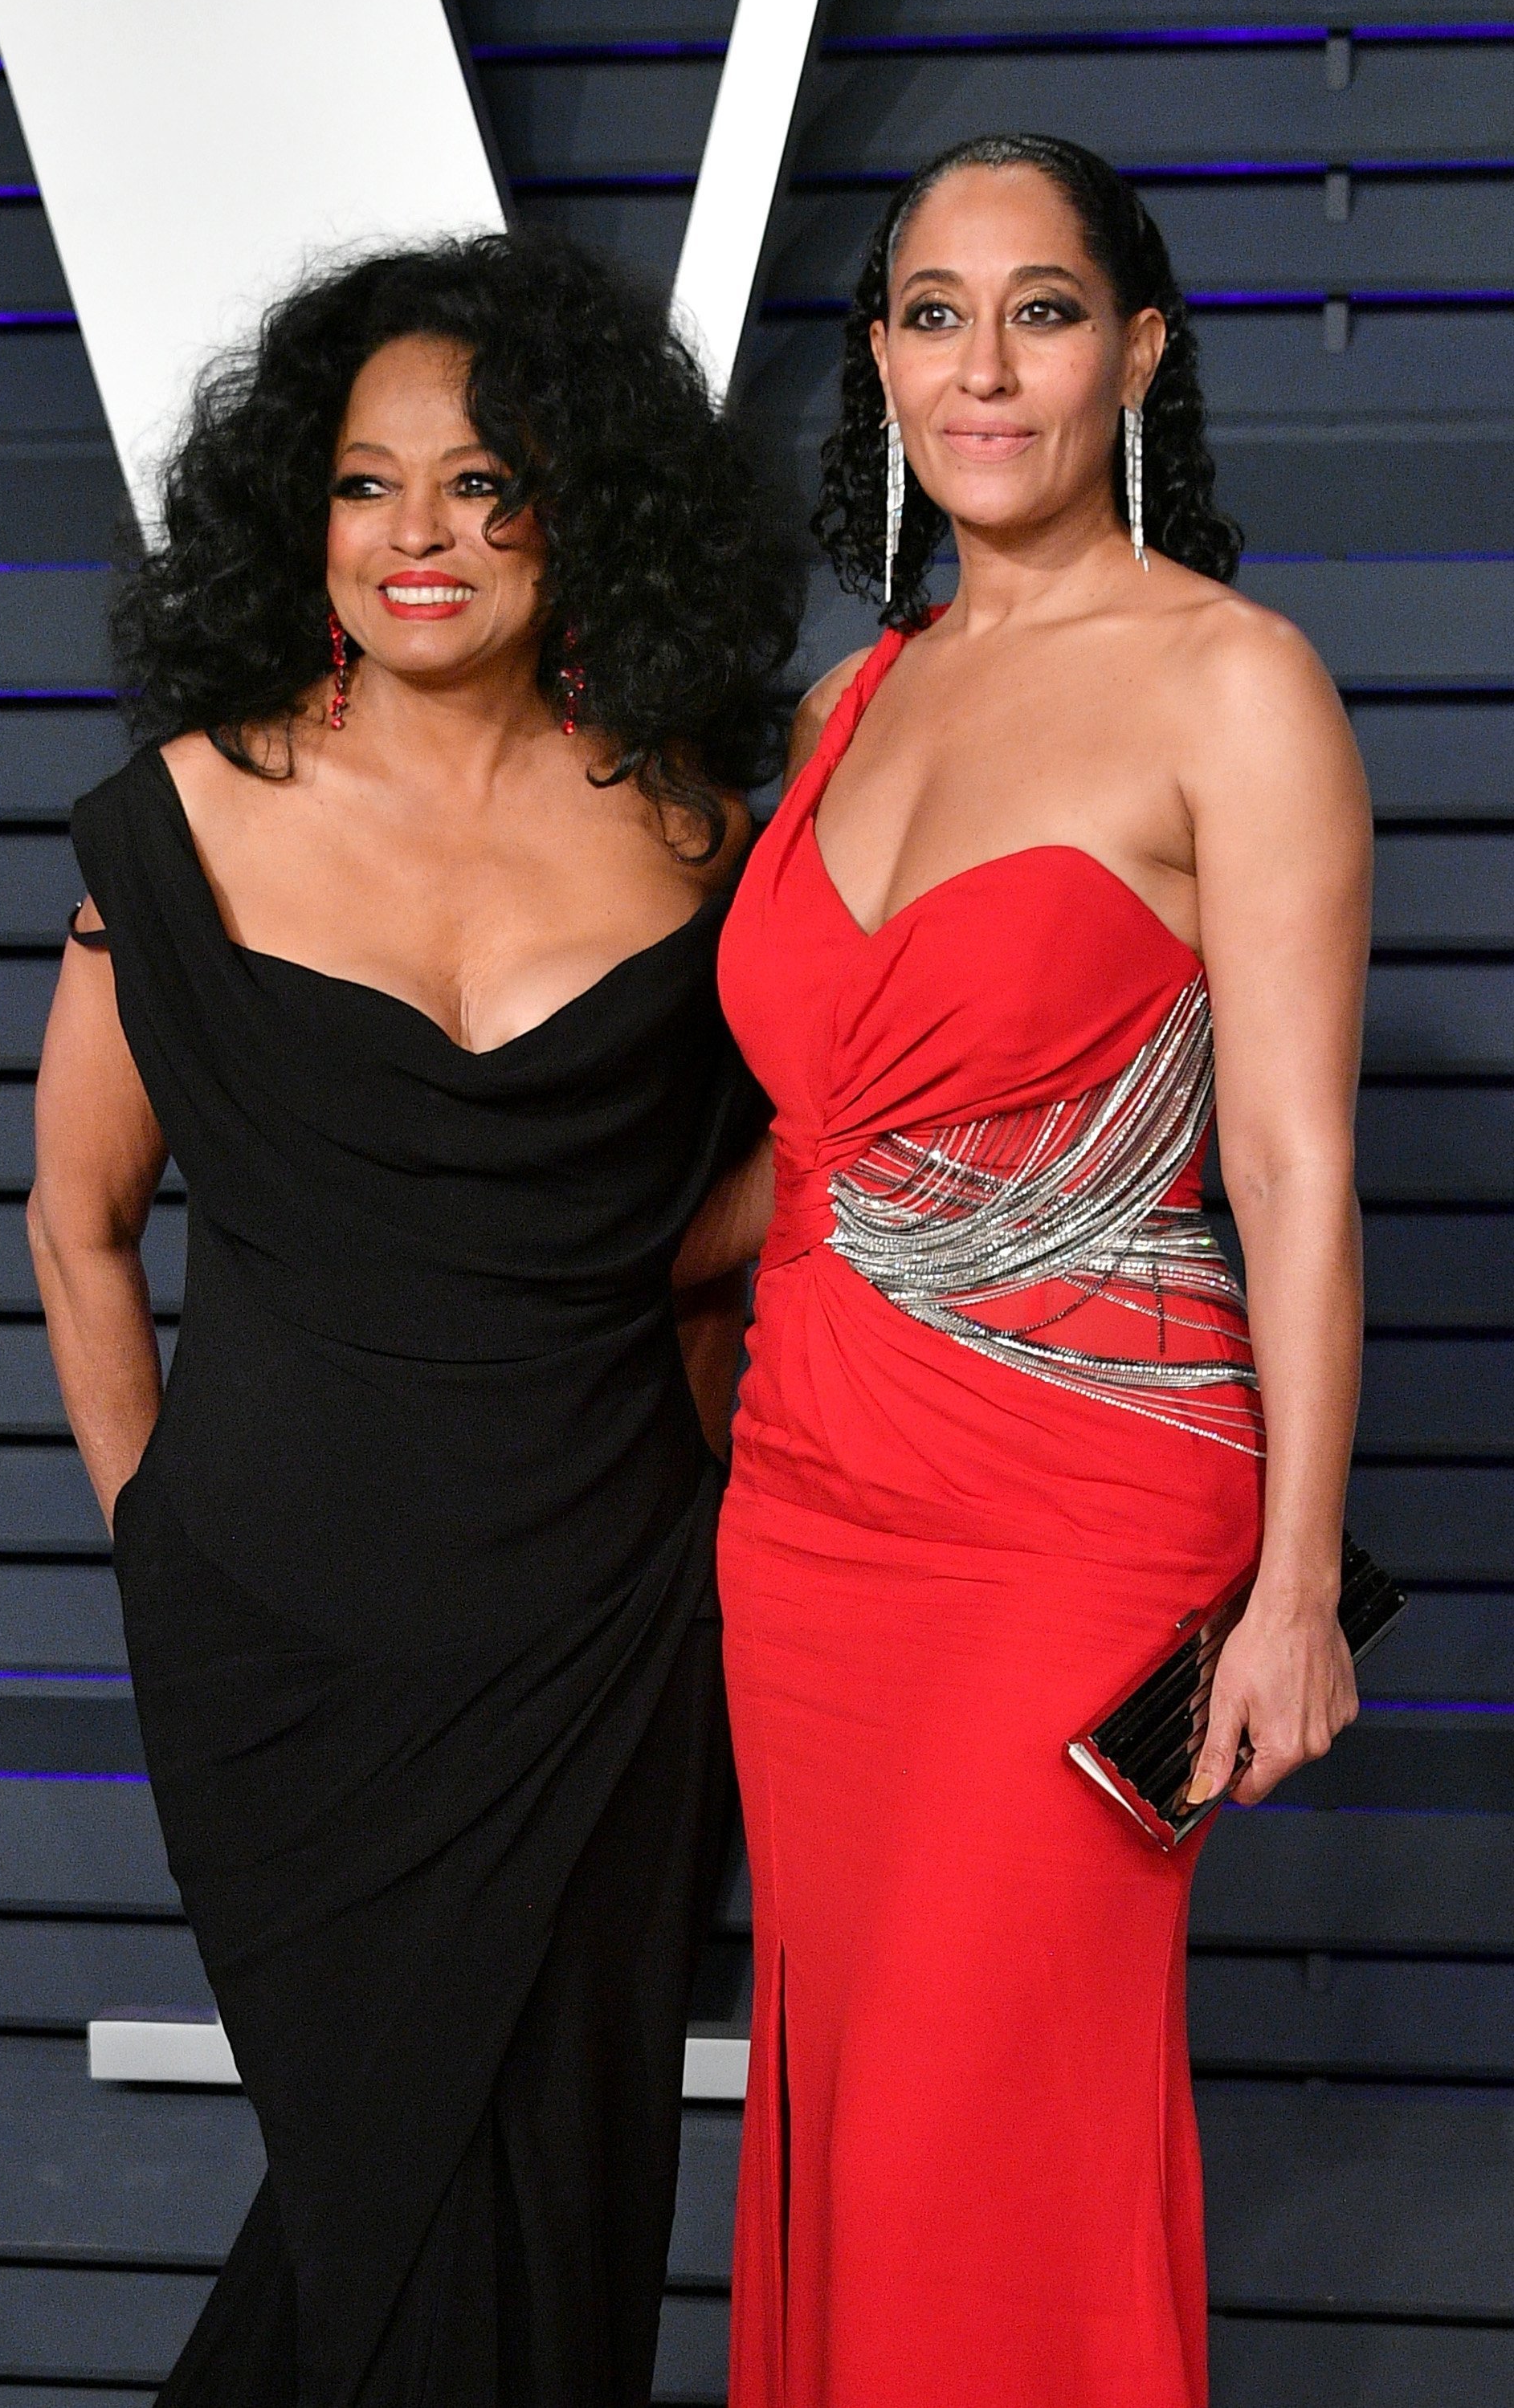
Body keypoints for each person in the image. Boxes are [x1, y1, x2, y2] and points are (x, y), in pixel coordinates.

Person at [27, 234, 802, 2408]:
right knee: (385, 2199)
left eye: (484, 482)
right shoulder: (177, 821)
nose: (420, 540)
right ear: (305, 516)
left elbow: (727, 1225)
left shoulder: (694, 834)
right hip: (278, 1648)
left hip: (602, 1645)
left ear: (586, 509)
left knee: (551, 2227)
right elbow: (78, 1224)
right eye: (369, 487)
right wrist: (156, 1542)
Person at [706, 134, 1371, 2406]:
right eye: (930, 312)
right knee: (857, 2125)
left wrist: (1293, 1584)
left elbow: (1290, 1159)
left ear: (1142, 350)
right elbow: (815, 1144)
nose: (983, 365)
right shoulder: (842, 708)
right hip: (802, 1524)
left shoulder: (1234, 683)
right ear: (880, 359)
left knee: (997, 2155)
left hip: (1076, 1525)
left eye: (1046, 309)